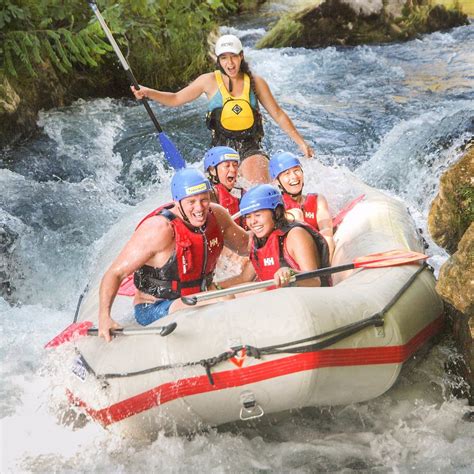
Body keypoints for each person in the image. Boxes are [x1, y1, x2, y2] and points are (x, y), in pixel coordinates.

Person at [131, 34, 314, 184]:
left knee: (259, 187)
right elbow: (175, 99)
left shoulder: (256, 82)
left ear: (241, 56)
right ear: (218, 60)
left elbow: (278, 115)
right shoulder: (208, 81)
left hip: (250, 148)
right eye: (224, 58)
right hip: (220, 150)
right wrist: (148, 92)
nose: (230, 63)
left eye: (233, 56)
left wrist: (301, 143)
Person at [98, 168, 250, 342]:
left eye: (204, 199)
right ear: (177, 202)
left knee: (255, 291)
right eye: (191, 202)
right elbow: (115, 273)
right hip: (155, 307)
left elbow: (245, 246)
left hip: (198, 296)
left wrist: (272, 227)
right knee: (223, 299)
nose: (199, 208)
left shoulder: (217, 215)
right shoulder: (158, 229)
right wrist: (104, 317)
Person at [220, 184, 331, 290]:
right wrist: (216, 287)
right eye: (248, 217)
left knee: (260, 291)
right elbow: (244, 278)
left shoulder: (296, 235)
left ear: (276, 212)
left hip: (308, 299)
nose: (252, 222)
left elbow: (314, 281)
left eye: (258, 215)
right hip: (280, 299)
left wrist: (291, 273)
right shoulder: (258, 241)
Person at [269, 151, 335, 260]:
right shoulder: (275, 207)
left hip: (317, 250)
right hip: (290, 256)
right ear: (277, 181)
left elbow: (326, 229)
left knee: (328, 238)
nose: (294, 176)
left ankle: (327, 269)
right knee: (296, 214)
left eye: (296, 170)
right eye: (287, 173)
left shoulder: (318, 200)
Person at [203, 145, 242, 224]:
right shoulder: (208, 195)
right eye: (227, 166)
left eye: (235, 165)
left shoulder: (242, 191)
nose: (233, 169)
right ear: (212, 170)